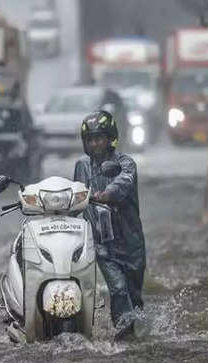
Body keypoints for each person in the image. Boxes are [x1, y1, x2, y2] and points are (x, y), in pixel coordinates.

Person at [73, 110, 146, 341]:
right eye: (90, 139)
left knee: (133, 297)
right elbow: (75, 196)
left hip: (131, 243)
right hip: (103, 243)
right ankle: (122, 339)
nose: (95, 144)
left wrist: (105, 195)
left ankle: (133, 332)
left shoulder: (126, 164)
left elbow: (123, 184)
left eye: (99, 138)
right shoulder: (82, 166)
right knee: (117, 288)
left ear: (110, 138)